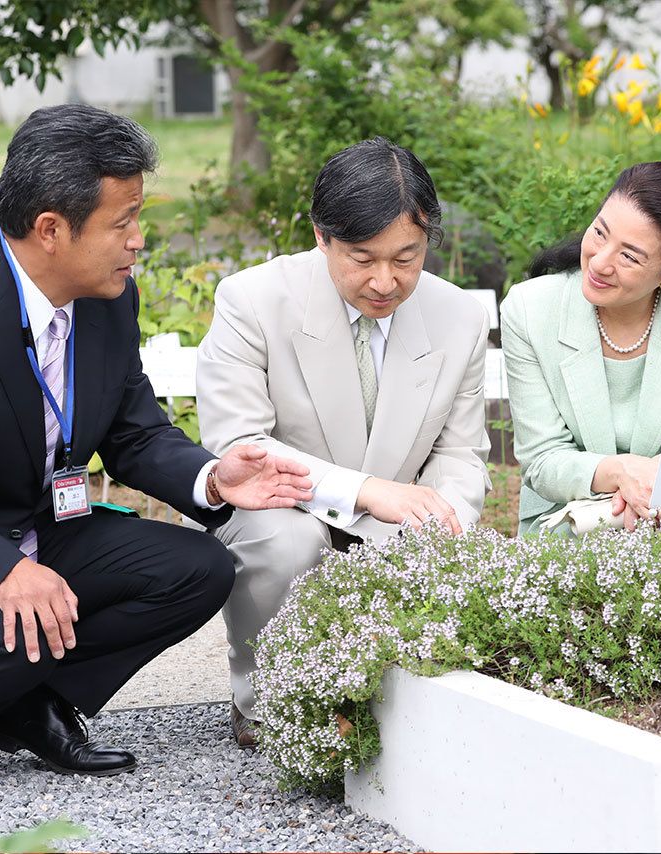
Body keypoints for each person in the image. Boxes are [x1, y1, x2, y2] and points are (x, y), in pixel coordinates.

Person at [0, 104, 314, 794]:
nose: (139, 240)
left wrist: (212, 478)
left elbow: (134, 433)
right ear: (50, 228)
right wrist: (2, 570)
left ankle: (24, 704)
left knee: (199, 568)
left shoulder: (108, 299)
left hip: (33, 527)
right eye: (123, 222)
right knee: (17, 615)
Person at [196, 137, 491, 746]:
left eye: (406, 258)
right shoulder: (252, 300)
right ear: (321, 237)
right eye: (362, 257)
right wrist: (366, 493)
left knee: (440, 535)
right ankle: (266, 700)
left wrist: (446, 519)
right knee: (287, 540)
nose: (385, 281)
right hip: (278, 505)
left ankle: (391, 699)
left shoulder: (458, 316)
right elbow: (241, 445)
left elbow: (460, 452)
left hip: (395, 513)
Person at [501, 161, 661, 536]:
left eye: (629, 256)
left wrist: (650, 491)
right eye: (600, 233)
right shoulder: (530, 309)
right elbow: (543, 461)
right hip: (571, 523)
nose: (600, 263)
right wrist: (622, 473)